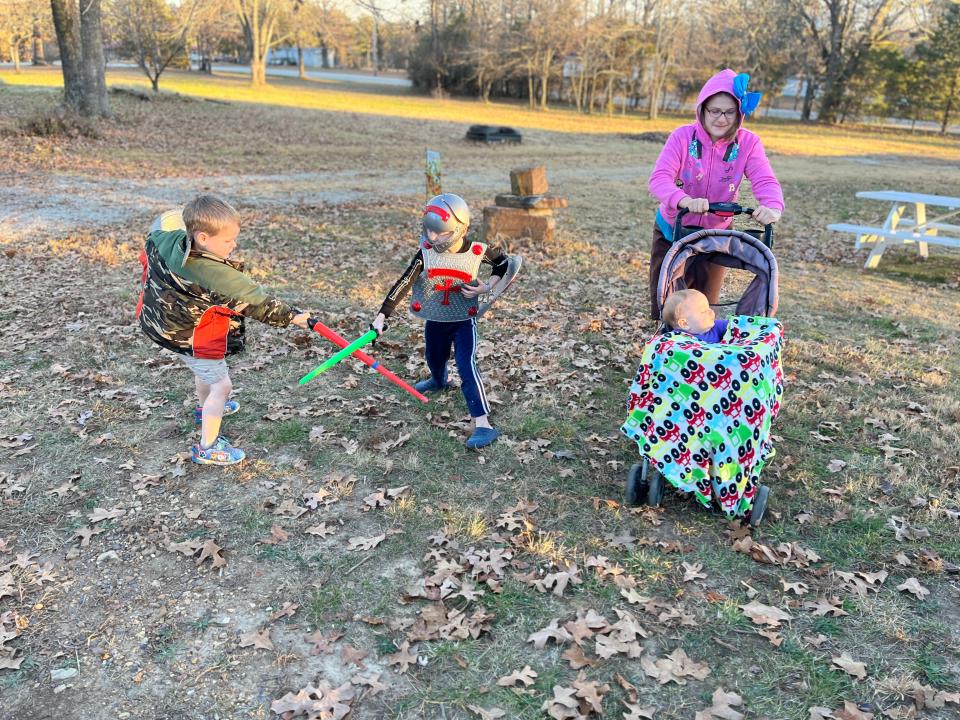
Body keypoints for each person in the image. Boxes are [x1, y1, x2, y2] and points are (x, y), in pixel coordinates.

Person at [138, 195, 310, 466]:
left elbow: (161, 224)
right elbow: (254, 302)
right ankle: (208, 447)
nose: (234, 245)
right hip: (191, 336)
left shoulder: (168, 241)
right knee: (222, 384)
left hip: (162, 325)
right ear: (203, 238)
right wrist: (293, 317)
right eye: (228, 241)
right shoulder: (211, 273)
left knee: (204, 372)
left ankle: (203, 408)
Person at [371, 193, 516, 449]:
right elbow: (405, 282)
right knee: (434, 358)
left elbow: (504, 265)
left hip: (463, 321)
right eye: (428, 230)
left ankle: (483, 424)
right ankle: (439, 381)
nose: (433, 237)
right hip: (436, 317)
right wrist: (382, 315)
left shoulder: (478, 251)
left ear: (461, 229)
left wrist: (486, 288)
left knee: (466, 365)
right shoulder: (426, 252)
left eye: (441, 233)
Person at [647, 68, 784, 319]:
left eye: (729, 112)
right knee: (667, 305)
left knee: (702, 307)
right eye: (715, 110)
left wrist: (772, 206)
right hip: (674, 230)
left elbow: (764, 179)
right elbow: (659, 179)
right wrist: (684, 200)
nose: (721, 119)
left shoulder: (748, 143)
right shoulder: (682, 137)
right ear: (702, 109)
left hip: (713, 236)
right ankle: (665, 346)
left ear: (739, 113)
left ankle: (700, 351)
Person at [661, 289, 727, 343]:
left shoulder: (715, 326)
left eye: (709, 308)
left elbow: (734, 324)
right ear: (684, 324)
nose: (711, 311)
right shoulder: (676, 340)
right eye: (703, 311)